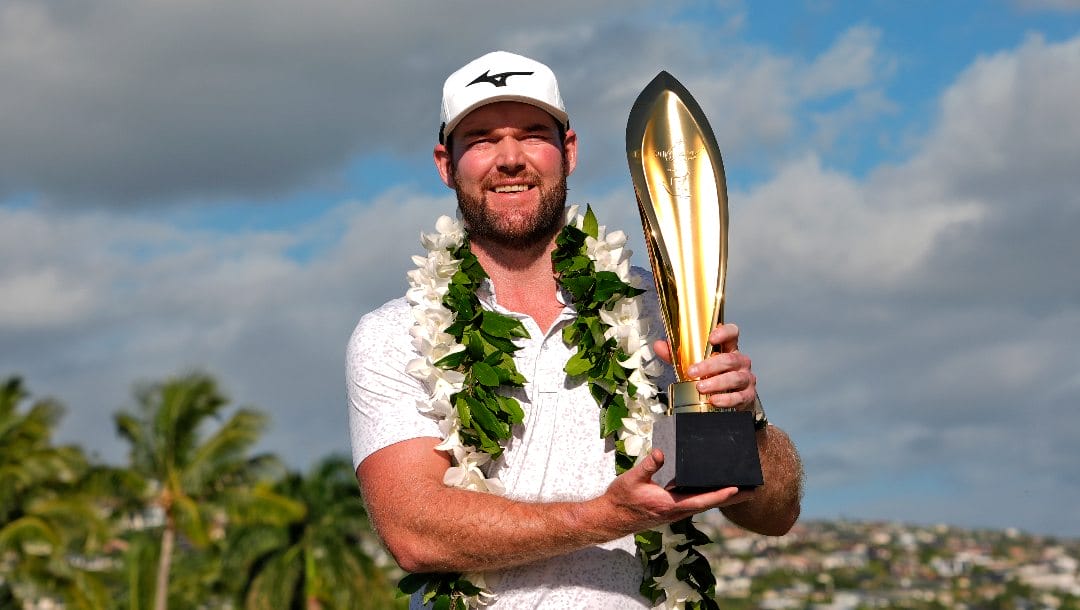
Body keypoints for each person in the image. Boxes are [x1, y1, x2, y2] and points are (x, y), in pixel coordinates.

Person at [347, 50, 803, 609]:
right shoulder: (397, 333)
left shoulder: (659, 306)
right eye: (483, 139)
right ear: (446, 163)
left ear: (569, 151)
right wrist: (607, 518)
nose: (509, 159)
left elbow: (775, 514)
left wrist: (744, 419)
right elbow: (415, 534)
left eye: (533, 134)